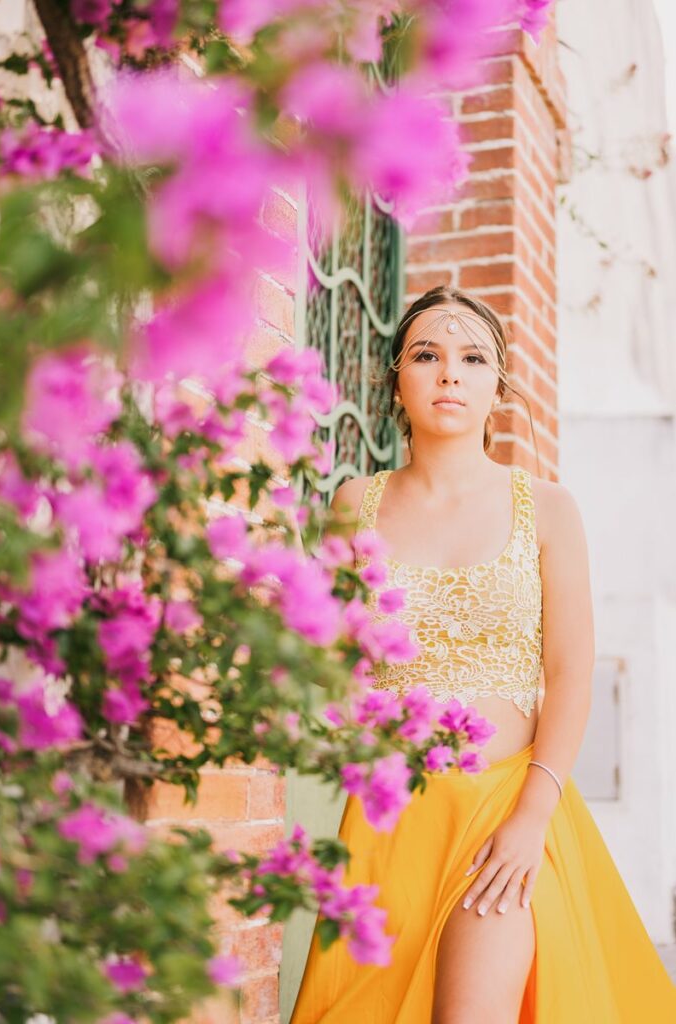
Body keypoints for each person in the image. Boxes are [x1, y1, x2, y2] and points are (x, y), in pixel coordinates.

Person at [289, 285, 676, 1023]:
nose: (448, 374)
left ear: (496, 387)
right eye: (427, 355)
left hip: (505, 813)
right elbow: (325, 663)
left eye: (471, 358)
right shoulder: (351, 507)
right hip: (390, 824)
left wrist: (531, 816)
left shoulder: (547, 508)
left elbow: (568, 674)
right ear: (395, 380)